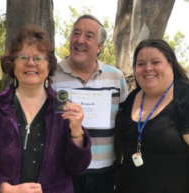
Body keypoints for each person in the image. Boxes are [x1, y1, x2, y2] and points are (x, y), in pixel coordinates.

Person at [0, 24, 92, 193]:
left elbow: (76, 168)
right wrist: (5, 189)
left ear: (48, 67)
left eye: (39, 58)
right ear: (13, 65)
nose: (31, 63)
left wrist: (77, 132)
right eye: (23, 57)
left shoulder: (63, 108)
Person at [115, 38, 189, 193]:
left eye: (156, 62)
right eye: (141, 64)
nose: (148, 68)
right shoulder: (132, 98)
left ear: (171, 65)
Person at [52, 15, 128, 193]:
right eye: (76, 34)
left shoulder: (116, 77)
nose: (80, 40)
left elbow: (124, 123)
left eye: (89, 36)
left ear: (100, 46)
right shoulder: (51, 76)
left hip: (105, 173)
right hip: (64, 172)